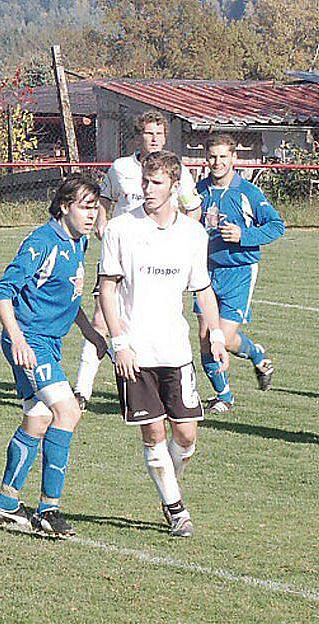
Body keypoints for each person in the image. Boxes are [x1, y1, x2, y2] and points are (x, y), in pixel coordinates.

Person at [98, 151, 229, 538]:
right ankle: (175, 508)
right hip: (136, 353)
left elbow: (203, 290)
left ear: (175, 185)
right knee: (154, 433)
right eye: (145, 182)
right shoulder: (120, 229)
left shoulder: (192, 234)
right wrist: (119, 342)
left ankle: (168, 482)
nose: (147, 189)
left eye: (156, 183)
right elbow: (107, 288)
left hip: (176, 350)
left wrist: (216, 335)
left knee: (186, 436)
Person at [0, 173, 100, 538]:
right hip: (31, 341)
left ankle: (6, 505)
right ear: (65, 206)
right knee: (67, 411)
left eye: (95, 208)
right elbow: (2, 292)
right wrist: (18, 339)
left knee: (37, 419)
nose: (92, 215)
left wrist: (89, 332)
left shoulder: (77, 242)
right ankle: (49, 509)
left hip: (46, 342)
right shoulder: (41, 242)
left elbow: (69, 297)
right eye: (85, 207)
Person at [74, 110, 202, 411]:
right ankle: (82, 389)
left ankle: (156, 384)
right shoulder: (121, 168)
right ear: (138, 136)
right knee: (100, 320)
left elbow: (193, 208)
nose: (155, 138)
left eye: (159, 133)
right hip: (121, 258)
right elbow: (104, 199)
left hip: (157, 264)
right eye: (149, 133)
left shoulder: (177, 171)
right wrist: (102, 224)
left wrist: (179, 240)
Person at [194, 133, 285, 413]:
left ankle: (256, 353)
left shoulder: (248, 192)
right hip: (206, 271)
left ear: (234, 158)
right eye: (212, 156)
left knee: (224, 337)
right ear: (206, 158)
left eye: (223, 156)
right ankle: (224, 396)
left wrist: (243, 234)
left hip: (239, 271)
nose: (217, 162)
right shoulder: (199, 190)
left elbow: (276, 226)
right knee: (206, 336)